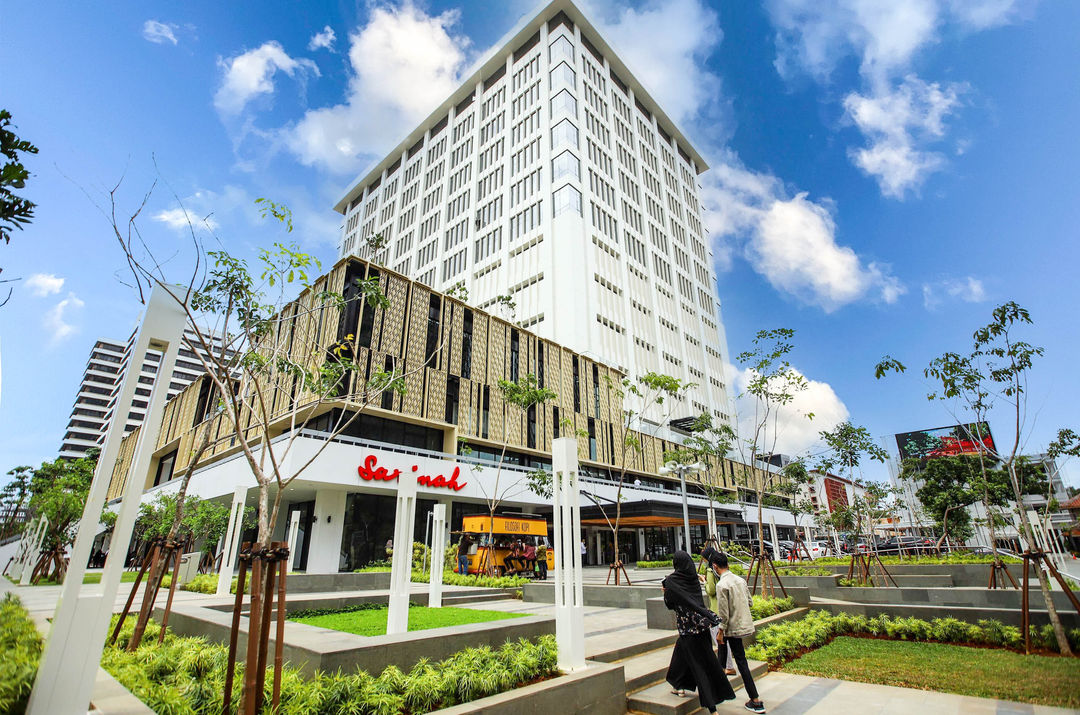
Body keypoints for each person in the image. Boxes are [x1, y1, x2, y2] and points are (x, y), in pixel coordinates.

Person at [661, 551, 736, 714]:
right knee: (681, 655)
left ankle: (711, 706)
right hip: (702, 626)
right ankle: (678, 685)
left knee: (700, 665)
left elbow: (670, 604)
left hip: (688, 630)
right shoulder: (693, 580)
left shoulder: (672, 581)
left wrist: (665, 591)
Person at [707, 550, 766, 714]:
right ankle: (750, 698)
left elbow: (723, 613)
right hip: (742, 626)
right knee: (731, 660)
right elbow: (750, 602)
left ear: (715, 566)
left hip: (729, 629)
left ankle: (751, 699)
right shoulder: (740, 580)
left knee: (729, 661)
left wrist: (720, 631)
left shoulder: (721, 585)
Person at [701, 547, 737, 675]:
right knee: (724, 639)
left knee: (719, 639)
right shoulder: (723, 571)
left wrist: (704, 582)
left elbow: (711, 590)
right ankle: (727, 665)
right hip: (727, 607)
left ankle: (727, 666)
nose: (704, 561)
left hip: (716, 608)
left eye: (704, 559)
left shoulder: (711, 571)